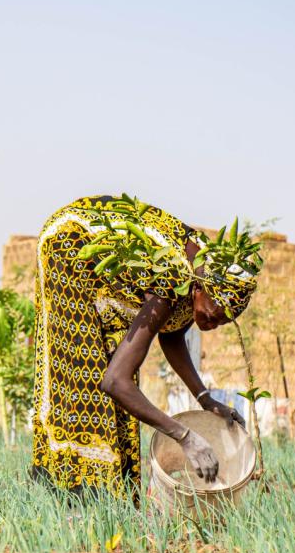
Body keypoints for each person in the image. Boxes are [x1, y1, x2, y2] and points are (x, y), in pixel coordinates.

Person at [32, 194, 260, 495]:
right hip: (70, 247)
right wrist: (184, 436)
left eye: (222, 322)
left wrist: (206, 399)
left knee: (119, 366)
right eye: (212, 315)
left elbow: (172, 333)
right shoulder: (172, 281)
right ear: (199, 289)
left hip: (110, 280)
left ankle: (115, 495)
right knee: (85, 372)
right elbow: (114, 382)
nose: (211, 325)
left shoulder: (200, 273)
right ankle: (70, 492)